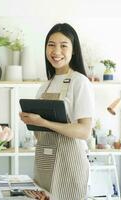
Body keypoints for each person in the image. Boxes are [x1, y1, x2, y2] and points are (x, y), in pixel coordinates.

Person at [19, 23, 94, 200]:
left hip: (70, 165)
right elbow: (40, 136)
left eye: (63, 45)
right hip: (44, 164)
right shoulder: (45, 85)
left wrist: (43, 122)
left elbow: (84, 131)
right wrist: (31, 121)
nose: (56, 51)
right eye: (51, 44)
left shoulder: (79, 82)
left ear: (74, 50)